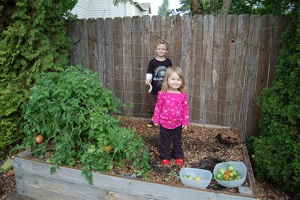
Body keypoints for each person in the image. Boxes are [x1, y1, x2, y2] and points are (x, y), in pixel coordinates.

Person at [152, 67, 189, 166]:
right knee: (165, 141)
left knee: (177, 141)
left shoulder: (182, 95)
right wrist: (156, 118)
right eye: (173, 79)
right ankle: (165, 157)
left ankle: (179, 156)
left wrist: (185, 121)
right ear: (167, 80)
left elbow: (185, 109)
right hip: (164, 123)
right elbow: (158, 107)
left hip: (177, 123)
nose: (175, 82)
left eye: (178, 79)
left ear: (182, 81)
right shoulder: (162, 94)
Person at [145, 39, 172, 128]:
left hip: (165, 89)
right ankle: (154, 118)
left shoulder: (168, 62)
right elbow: (149, 73)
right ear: (155, 50)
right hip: (154, 88)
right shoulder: (152, 62)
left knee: (165, 104)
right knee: (154, 104)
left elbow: (170, 74)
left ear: (166, 51)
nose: (161, 51)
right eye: (159, 49)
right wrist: (148, 79)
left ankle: (164, 119)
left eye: (163, 49)